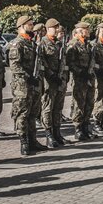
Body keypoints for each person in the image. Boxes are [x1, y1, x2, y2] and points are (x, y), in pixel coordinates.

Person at [9, 16, 46, 155]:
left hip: (33, 83)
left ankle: (32, 140)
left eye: (32, 24)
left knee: (33, 112)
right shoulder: (17, 44)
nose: (32, 26)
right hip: (22, 86)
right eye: (29, 25)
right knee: (22, 113)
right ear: (21, 27)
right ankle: (24, 142)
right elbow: (15, 66)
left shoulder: (32, 44)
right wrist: (28, 77)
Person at [66, 21, 96, 140]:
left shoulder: (88, 45)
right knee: (79, 104)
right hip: (79, 79)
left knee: (89, 103)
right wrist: (80, 72)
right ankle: (78, 129)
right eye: (85, 30)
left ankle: (85, 126)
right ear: (79, 31)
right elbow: (70, 63)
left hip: (89, 78)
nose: (88, 31)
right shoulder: (73, 45)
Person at [40, 18, 64, 148]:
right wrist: (51, 74)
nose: (57, 30)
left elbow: (63, 61)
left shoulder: (58, 43)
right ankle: (49, 134)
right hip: (48, 81)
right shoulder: (42, 43)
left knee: (57, 107)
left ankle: (57, 132)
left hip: (58, 80)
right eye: (55, 28)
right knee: (48, 108)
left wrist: (61, 76)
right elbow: (42, 62)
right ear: (48, 29)